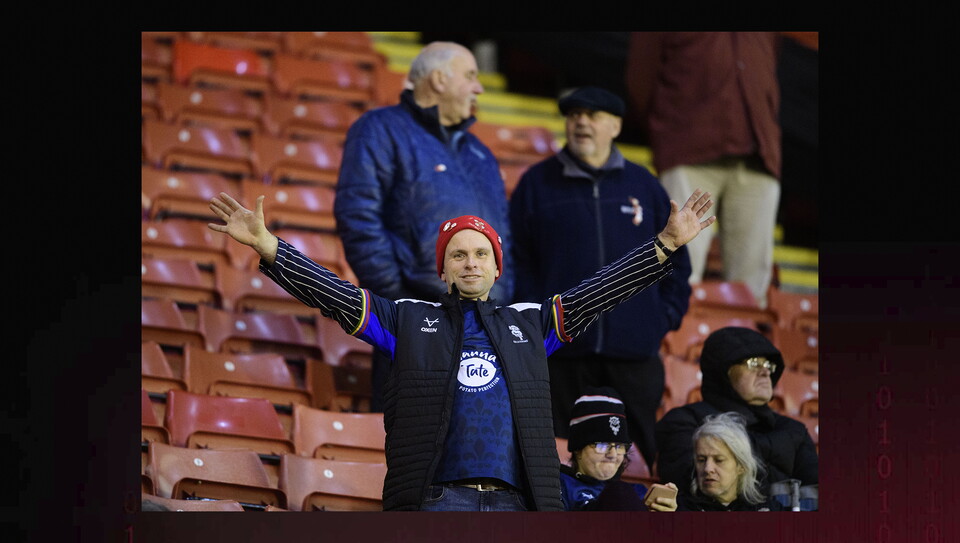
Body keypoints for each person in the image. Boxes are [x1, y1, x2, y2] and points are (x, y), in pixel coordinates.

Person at [207, 187, 715, 511]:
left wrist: (665, 246)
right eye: (458, 256)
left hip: (520, 501)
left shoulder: (532, 324)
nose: (470, 263)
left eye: (480, 254)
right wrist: (271, 249)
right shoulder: (406, 319)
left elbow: (600, 291)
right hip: (434, 500)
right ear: (442, 270)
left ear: (497, 268)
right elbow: (335, 296)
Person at [509, 86, 691, 469]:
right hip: (561, 353)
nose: (581, 123)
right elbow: (516, 262)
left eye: (592, 116)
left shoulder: (645, 186)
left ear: (616, 126)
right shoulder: (536, 184)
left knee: (647, 461)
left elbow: (678, 261)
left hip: (634, 355)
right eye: (574, 115)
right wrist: (536, 319)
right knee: (558, 459)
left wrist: (660, 319)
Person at [333, 41, 514, 412]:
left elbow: (503, 236)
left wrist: (500, 308)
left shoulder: (480, 152)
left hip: (482, 326)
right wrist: (400, 303)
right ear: (438, 79)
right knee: (412, 445)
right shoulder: (379, 129)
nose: (479, 88)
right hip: (416, 320)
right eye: (470, 76)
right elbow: (359, 217)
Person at [626, 32, 782, 308]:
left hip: (757, 155)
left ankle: (745, 350)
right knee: (677, 276)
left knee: (751, 289)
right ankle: (669, 349)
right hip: (689, 151)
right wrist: (669, 129)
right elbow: (640, 77)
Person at [655, 327, 818, 504]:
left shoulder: (793, 430)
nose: (765, 372)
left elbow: (815, 495)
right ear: (723, 372)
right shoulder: (684, 422)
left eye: (768, 365)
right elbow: (692, 483)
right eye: (753, 363)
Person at [559, 387, 678, 511]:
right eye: (602, 445)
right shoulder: (560, 485)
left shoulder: (639, 492)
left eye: (619, 446)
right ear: (578, 449)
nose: (613, 454)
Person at [679, 412, 783, 511]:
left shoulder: (768, 511)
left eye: (719, 460)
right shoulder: (678, 510)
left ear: (741, 466)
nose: (707, 468)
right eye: (701, 460)